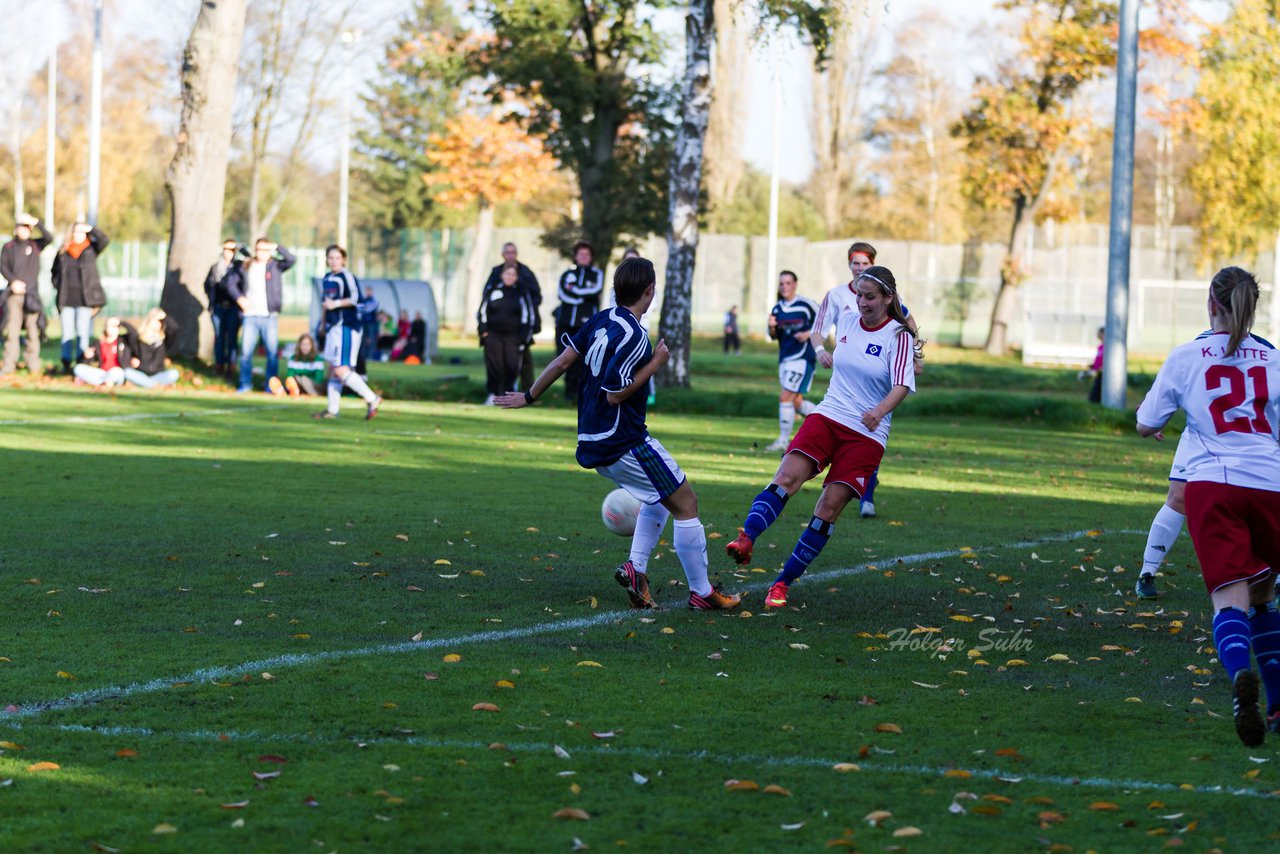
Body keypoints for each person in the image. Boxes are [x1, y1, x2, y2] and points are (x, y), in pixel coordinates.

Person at [496, 256, 740, 612]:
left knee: (659, 498)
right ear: (650, 290)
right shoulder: (636, 337)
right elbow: (615, 393)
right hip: (623, 440)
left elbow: (564, 361)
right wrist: (654, 364)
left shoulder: (600, 319)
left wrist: (529, 395)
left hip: (592, 440)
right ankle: (702, 593)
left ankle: (636, 569)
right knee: (686, 503)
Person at [1135, 266, 1280, 746]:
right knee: (1265, 592)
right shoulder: (1274, 359)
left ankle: (1242, 678)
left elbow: (1145, 420)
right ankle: (1277, 701)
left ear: (1210, 304)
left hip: (1212, 485)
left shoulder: (1186, 355)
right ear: (1252, 306)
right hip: (1269, 481)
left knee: (1231, 597)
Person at [726, 265, 917, 610]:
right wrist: (819, 352)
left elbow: (903, 384)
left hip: (866, 434)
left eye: (870, 296)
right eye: (859, 294)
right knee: (785, 476)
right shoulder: (845, 321)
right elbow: (817, 335)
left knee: (828, 507)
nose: (861, 302)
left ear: (888, 299)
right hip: (828, 415)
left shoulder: (898, 336)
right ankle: (746, 537)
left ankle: (782, 583)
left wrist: (878, 411)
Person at [1133, 321, 1277, 601]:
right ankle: (1147, 572)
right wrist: (1154, 410)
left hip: (1248, 443)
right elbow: (1181, 383)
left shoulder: (1265, 350)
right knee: (1177, 497)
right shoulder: (1203, 343)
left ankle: (1267, 575)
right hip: (1202, 435)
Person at [809, 241, 926, 519]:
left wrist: (916, 357)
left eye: (864, 263)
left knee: (866, 436)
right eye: (855, 263)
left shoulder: (883, 293)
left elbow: (908, 322)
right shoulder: (837, 297)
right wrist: (821, 351)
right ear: (849, 265)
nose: (859, 267)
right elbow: (818, 330)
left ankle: (866, 495)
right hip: (840, 393)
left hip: (874, 393)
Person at [311, 245, 381, 419]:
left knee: (341, 368)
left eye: (337, 257)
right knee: (334, 369)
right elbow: (325, 303)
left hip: (347, 327)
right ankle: (332, 410)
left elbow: (356, 298)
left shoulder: (347, 277)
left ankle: (372, 398)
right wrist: (323, 323)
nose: (333, 261)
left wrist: (335, 305)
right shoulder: (327, 278)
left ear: (343, 260)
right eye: (330, 257)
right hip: (333, 328)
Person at [222, 238, 295, 392]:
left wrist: (276, 245)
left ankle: (271, 385)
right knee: (246, 353)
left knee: (272, 353)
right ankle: (245, 383)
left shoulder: (275, 265)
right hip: (251, 316)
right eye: (259, 249)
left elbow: (291, 259)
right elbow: (230, 283)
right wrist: (240, 298)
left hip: (269, 316)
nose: (261, 253)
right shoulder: (246, 265)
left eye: (265, 249)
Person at [766, 271, 820, 453]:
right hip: (785, 359)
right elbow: (773, 336)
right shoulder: (777, 309)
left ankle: (783, 441)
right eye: (781, 283)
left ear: (795, 284)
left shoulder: (806, 304)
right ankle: (827, 422)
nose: (785, 287)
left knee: (785, 397)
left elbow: (825, 321)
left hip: (803, 359)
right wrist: (771, 327)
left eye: (788, 283)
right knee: (796, 403)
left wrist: (808, 334)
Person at [51, 221, 109, 373]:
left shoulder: (91, 249)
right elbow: (54, 271)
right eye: (76, 232)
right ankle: (66, 362)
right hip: (67, 299)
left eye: (82, 232)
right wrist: (57, 285)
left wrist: (91, 229)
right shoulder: (63, 251)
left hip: (85, 299)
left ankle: (81, 362)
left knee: (83, 332)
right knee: (67, 332)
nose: (79, 235)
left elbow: (104, 240)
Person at [483, 242, 542, 390]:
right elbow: (486, 296)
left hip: (521, 326)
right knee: (498, 361)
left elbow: (536, 296)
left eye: (513, 252)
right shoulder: (496, 272)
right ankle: (498, 391)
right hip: (498, 329)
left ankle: (529, 392)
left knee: (522, 359)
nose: (510, 255)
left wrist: (526, 314)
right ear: (503, 255)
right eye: (507, 252)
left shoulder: (526, 272)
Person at [1, 213, 52, 376]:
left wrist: (36, 222)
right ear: (16, 228)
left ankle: (33, 364)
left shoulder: (36, 245)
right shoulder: (8, 247)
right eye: (20, 226)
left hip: (31, 295)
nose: (23, 230)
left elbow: (49, 237)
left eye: (26, 227)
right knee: (13, 330)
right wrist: (13, 282)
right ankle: (9, 364)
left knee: (32, 330)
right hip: (14, 295)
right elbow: (3, 267)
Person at [554, 241, 604, 398]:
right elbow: (562, 293)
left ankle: (583, 394)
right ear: (575, 256)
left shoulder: (597, 274)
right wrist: (581, 297)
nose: (583, 257)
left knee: (584, 361)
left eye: (586, 254)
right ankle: (569, 393)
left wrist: (574, 290)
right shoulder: (567, 274)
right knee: (564, 358)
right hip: (565, 324)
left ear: (591, 257)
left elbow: (595, 291)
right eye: (580, 254)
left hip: (586, 326)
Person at [478, 263, 533, 405]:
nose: (510, 277)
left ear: (517, 277)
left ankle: (509, 396)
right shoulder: (493, 291)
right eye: (507, 274)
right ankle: (493, 395)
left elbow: (528, 316)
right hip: (493, 336)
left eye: (513, 274)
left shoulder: (521, 293)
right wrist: (483, 331)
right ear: (502, 275)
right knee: (495, 366)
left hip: (513, 337)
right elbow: (482, 311)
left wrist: (523, 337)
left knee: (511, 366)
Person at [205, 238, 242, 378]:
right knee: (219, 338)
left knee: (232, 338)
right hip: (218, 308)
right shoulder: (215, 268)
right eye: (227, 249)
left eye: (232, 250)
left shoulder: (239, 268)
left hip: (233, 308)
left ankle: (231, 367)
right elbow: (207, 285)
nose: (229, 253)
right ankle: (219, 365)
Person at [122, 308, 181, 389]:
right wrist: (121, 322)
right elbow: (131, 332)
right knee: (127, 372)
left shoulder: (164, 340)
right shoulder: (139, 339)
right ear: (150, 320)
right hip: (141, 374)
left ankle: (149, 384)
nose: (159, 324)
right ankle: (155, 385)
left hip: (158, 375)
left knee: (174, 374)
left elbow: (174, 329)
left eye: (161, 322)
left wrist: (164, 317)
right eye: (157, 320)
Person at [72, 315, 133, 388]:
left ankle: (101, 382)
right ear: (105, 327)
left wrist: (122, 322)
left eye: (115, 326)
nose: (112, 328)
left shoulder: (124, 340)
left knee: (116, 371)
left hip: (118, 373)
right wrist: (86, 356)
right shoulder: (99, 343)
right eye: (110, 326)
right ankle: (104, 382)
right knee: (78, 368)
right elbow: (85, 362)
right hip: (102, 373)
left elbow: (134, 334)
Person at [356, 285, 380, 372]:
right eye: (367, 291)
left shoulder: (374, 300)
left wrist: (360, 309)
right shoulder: (364, 300)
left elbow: (366, 309)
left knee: (371, 341)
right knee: (362, 341)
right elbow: (359, 308)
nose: (368, 293)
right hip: (363, 324)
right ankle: (363, 357)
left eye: (369, 291)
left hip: (371, 324)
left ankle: (370, 357)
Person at [1087, 325, 1104, 404]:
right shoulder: (1100, 347)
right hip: (1097, 373)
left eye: (1099, 333)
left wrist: (1099, 369)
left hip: (1102, 374)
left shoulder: (1107, 347)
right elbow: (1098, 360)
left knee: (1096, 394)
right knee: (1095, 393)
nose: (1097, 335)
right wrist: (1093, 366)